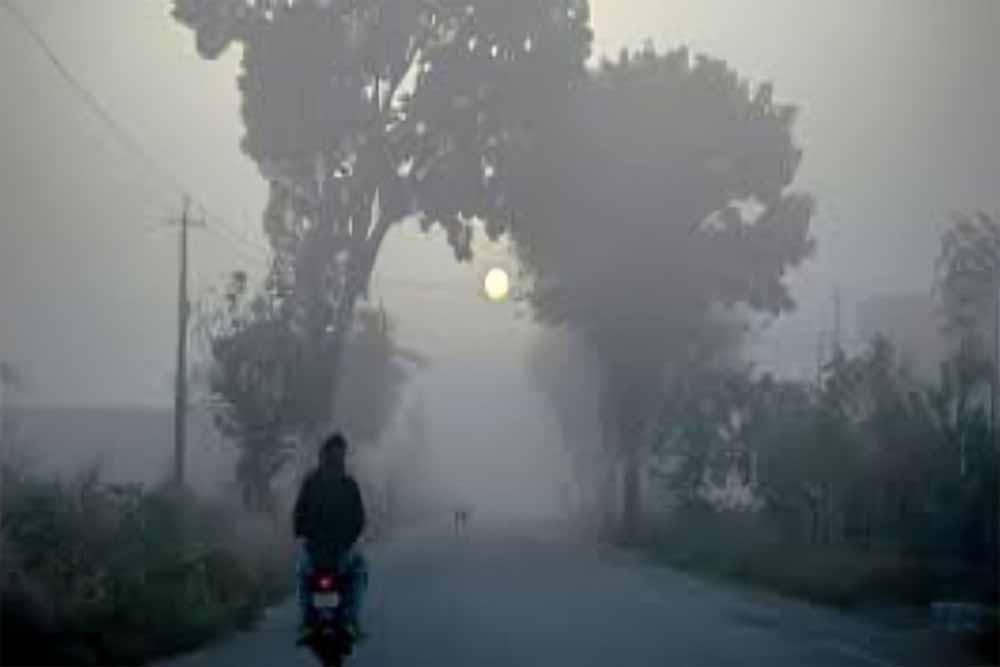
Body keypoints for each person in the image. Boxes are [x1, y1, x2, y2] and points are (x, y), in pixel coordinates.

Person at [293, 432, 368, 643]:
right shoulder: (348, 484)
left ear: (322, 455)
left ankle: (308, 621)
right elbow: (359, 520)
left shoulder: (311, 482)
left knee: (302, 577)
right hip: (341, 551)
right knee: (360, 570)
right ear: (342, 456)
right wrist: (349, 540)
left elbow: (298, 515)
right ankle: (351, 620)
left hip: (314, 550)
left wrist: (303, 533)